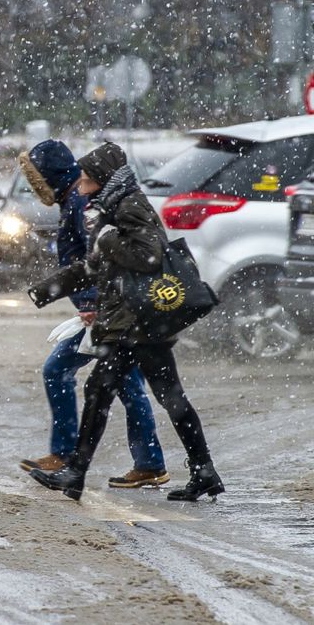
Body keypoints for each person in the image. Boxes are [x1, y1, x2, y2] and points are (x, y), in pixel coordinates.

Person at [27, 142, 223, 502]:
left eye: (86, 181)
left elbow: (148, 256)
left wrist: (107, 236)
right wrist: (47, 289)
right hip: (129, 324)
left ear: (102, 180)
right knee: (110, 393)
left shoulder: (129, 205)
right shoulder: (110, 208)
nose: (81, 186)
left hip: (141, 324)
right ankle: (202, 470)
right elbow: (95, 266)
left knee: (146, 396)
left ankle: (77, 473)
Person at [16, 140, 168, 488]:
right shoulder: (75, 200)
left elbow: (95, 260)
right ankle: (142, 462)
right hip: (108, 310)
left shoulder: (81, 203)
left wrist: (90, 303)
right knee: (124, 385)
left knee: (71, 373)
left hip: (109, 312)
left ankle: (78, 458)